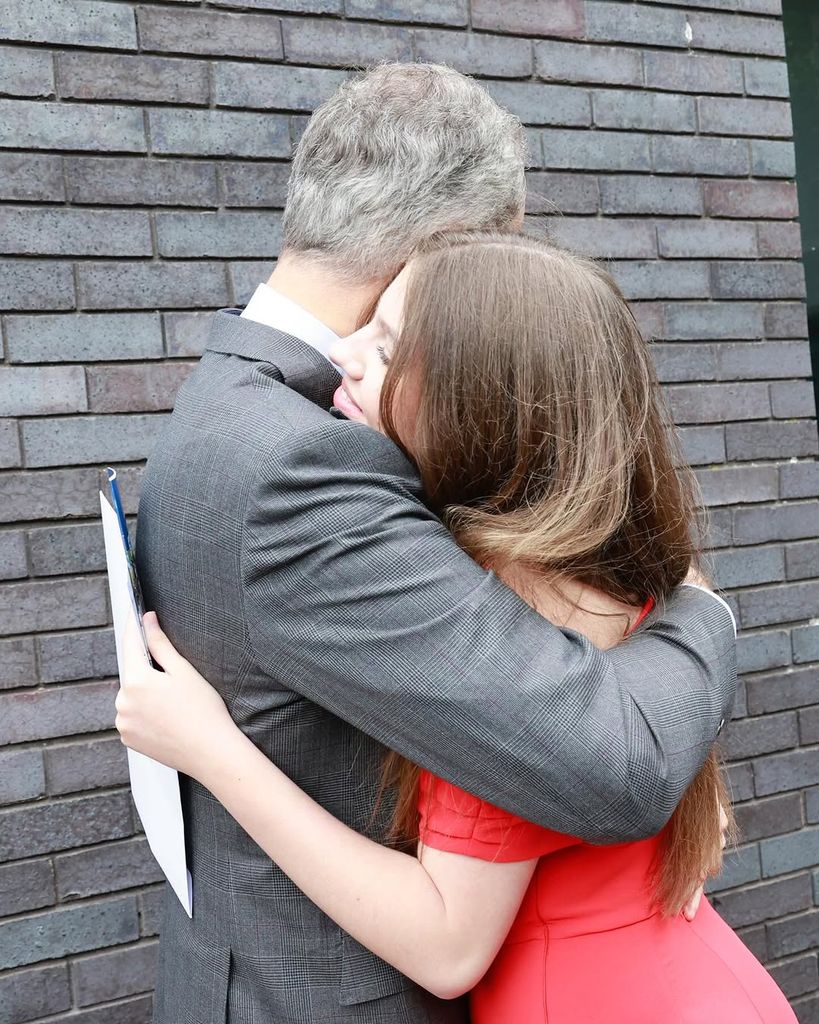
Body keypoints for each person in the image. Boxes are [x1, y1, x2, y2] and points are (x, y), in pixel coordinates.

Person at [133, 64, 737, 1023]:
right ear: (447, 252)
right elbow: (616, 763)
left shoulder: (230, 403)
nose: (355, 365)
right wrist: (702, 608)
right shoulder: (306, 458)